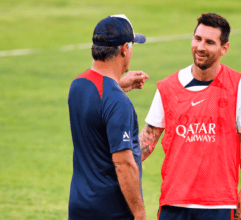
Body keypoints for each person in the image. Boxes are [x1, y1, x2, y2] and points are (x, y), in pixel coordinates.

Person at [139, 13, 241, 220]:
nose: (200, 47)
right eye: (197, 39)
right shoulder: (167, 88)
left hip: (220, 202)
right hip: (174, 200)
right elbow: (148, 139)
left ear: (224, 48)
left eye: (210, 42)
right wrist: (117, 164)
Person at [68, 14, 149, 220]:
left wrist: (118, 86)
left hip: (80, 206)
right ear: (124, 49)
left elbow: (96, 102)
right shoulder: (117, 102)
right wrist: (139, 214)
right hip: (112, 211)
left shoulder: (78, 86)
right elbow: (123, 164)